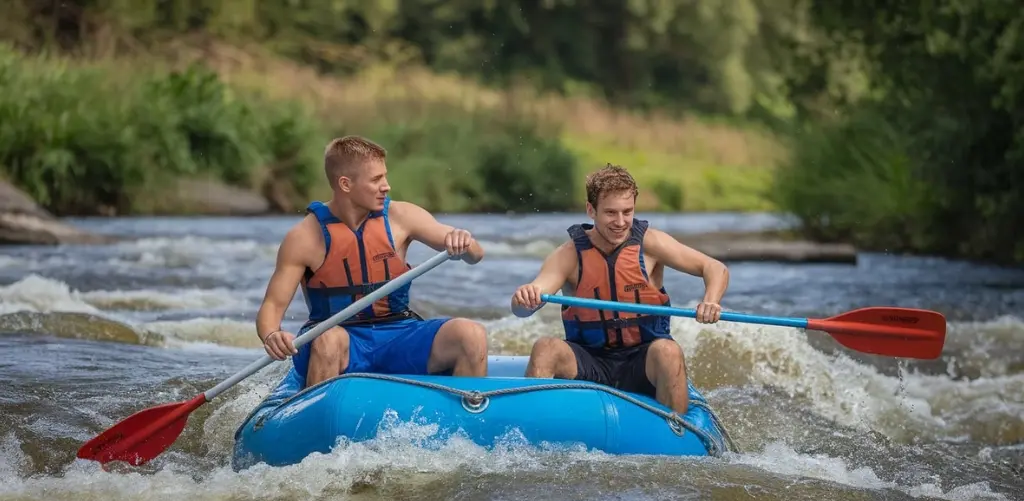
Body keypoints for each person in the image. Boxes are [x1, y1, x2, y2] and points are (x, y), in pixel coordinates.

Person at [256, 135, 489, 388]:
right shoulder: (303, 238)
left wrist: (464, 242)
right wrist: (271, 334)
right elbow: (271, 307)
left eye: (385, 177)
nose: (386, 186)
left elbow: (475, 255)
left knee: (470, 334)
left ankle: (466, 419)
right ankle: (317, 415)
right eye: (376, 179)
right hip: (340, 341)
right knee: (328, 339)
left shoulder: (402, 216)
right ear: (345, 184)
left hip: (399, 333)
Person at [509, 164, 729, 414]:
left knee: (668, 351)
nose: (621, 222)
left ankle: (678, 431)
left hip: (642, 361)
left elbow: (714, 267)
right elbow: (523, 309)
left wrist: (711, 300)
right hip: (589, 360)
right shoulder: (568, 255)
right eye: (611, 213)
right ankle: (533, 427)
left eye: (627, 212)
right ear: (591, 210)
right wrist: (525, 298)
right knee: (545, 347)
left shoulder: (651, 244)